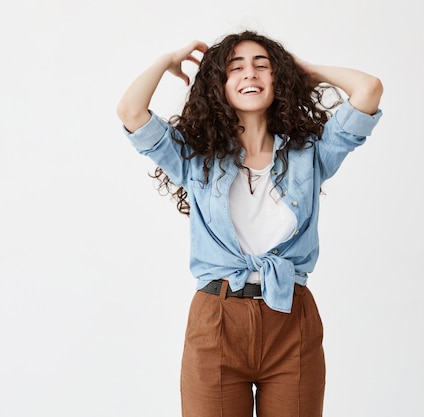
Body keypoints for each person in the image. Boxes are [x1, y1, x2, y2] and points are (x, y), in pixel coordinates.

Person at [116, 30, 383, 417]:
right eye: (235, 68)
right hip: (216, 321)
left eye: (263, 65)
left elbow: (369, 90)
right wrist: (165, 61)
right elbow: (131, 113)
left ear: (279, 79)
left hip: (292, 321)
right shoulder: (195, 159)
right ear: (218, 85)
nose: (250, 74)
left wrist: (307, 71)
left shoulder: (311, 155)